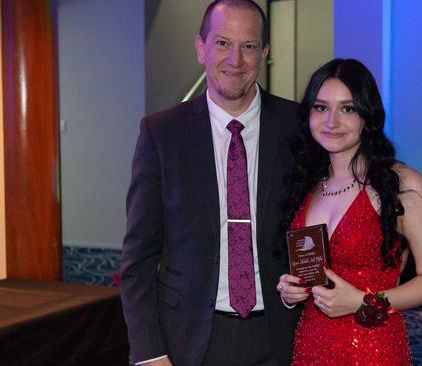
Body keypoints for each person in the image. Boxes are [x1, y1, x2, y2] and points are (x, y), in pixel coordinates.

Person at [121, 1, 300, 365]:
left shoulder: (299, 127)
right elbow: (138, 260)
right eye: (222, 43)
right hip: (186, 341)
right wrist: (149, 353)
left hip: (282, 337)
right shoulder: (161, 133)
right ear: (200, 48)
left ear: (264, 53)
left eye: (248, 46)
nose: (235, 59)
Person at [276, 59, 422, 365]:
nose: (332, 121)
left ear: (367, 117)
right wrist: (293, 290)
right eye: (320, 107)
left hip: (371, 348)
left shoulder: (402, 184)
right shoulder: (308, 184)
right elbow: (312, 272)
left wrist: (364, 301)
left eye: (348, 108)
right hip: (310, 346)